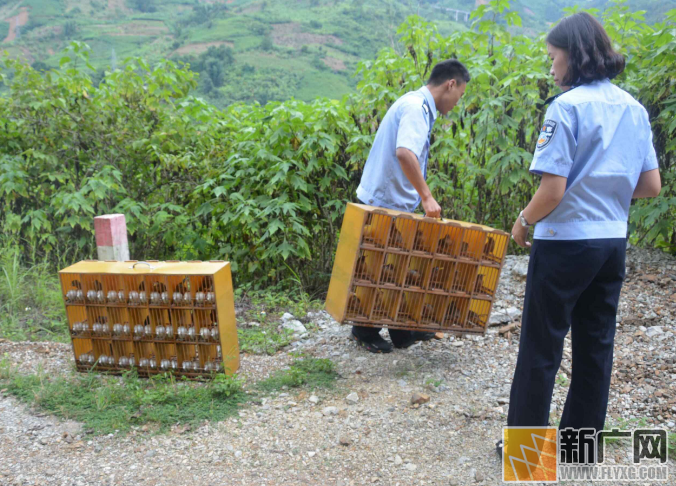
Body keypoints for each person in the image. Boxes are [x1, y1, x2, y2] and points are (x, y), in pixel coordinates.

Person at [499, 12, 662, 456]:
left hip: (565, 241)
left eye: (554, 57)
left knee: (541, 345)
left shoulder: (565, 108)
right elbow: (650, 186)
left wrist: (523, 220)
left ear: (574, 55)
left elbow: (552, 190)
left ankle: (527, 454)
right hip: (612, 242)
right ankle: (580, 447)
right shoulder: (634, 108)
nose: (551, 68)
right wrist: (605, 195)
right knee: (596, 346)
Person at [351, 59, 470, 353]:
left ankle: (403, 330)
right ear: (450, 84)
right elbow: (405, 153)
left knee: (397, 267)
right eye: (461, 94)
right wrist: (427, 196)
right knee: (380, 269)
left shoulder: (416, 104)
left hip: (390, 199)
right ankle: (364, 331)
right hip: (384, 201)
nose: (459, 102)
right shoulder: (417, 108)